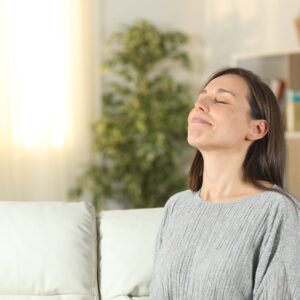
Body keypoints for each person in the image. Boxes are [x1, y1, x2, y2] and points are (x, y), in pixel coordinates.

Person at [149, 67, 300, 299]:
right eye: (200, 98)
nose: (200, 105)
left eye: (221, 100)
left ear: (257, 129)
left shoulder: (277, 212)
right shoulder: (177, 206)